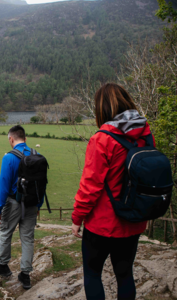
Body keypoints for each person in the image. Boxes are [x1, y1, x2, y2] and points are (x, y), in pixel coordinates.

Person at [72, 83, 152, 300]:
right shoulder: (145, 134)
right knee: (125, 274)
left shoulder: (102, 139)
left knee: (92, 273)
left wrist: (77, 217)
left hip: (103, 223)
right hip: (133, 219)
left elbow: (90, 186)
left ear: (102, 109)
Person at [0, 125, 44, 290]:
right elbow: (42, 185)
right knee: (27, 238)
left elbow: (3, 186)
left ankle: (3, 267)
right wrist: (38, 205)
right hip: (31, 204)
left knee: (6, 233)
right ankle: (26, 275)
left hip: (13, 203)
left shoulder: (9, 158)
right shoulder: (37, 156)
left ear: (11, 139)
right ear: (25, 139)